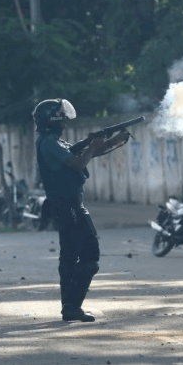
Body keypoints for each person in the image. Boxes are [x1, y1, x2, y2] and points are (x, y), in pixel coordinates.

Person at [33, 99, 130, 322]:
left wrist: (112, 142)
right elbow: (78, 164)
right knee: (89, 255)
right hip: (69, 204)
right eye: (63, 118)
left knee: (69, 256)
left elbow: (83, 155)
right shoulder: (49, 144)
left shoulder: (52, 142)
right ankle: (72, 305)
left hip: (67, 204)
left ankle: (70, 306)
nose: (65, 122)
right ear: (55, 120)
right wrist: (94, 146)